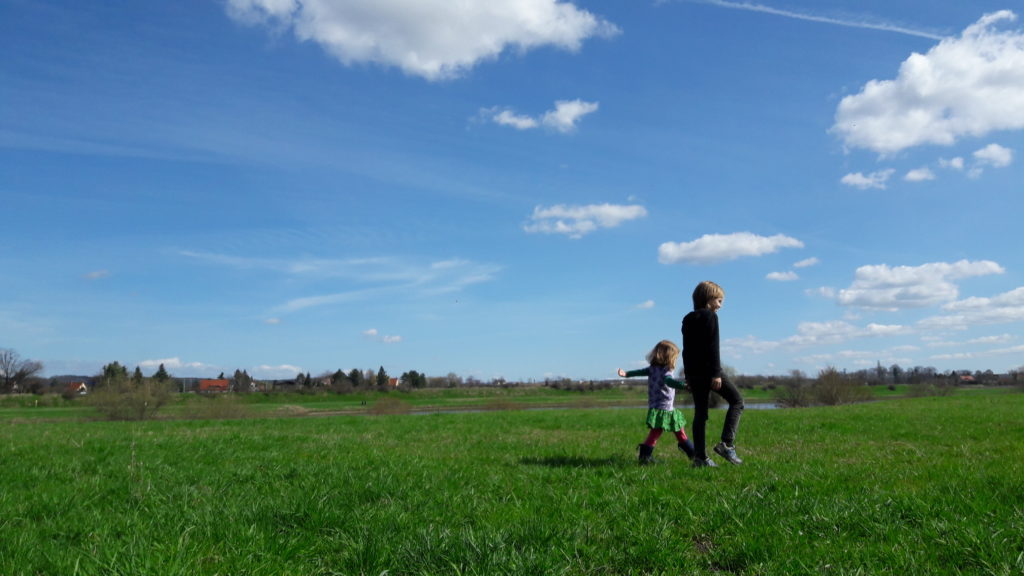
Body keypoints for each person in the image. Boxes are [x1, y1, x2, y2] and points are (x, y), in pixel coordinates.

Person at [682, 280, 744, 467]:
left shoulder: (687, 319)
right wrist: (716, 374)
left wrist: (688, 377)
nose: (720, 305)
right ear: (708, 299)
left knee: (700, 414)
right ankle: (727, 444)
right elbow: (712, 347)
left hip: (694, 374)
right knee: (737, 401)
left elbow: (687, 351)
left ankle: (700, 458)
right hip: (709, 371)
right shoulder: (710, 317)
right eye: (719, 300)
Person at [617, 340, 695, 465]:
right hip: (664, 409)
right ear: (669, 357)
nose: (675, 360)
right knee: (659, 432)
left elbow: (639, 372)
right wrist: (684, 386)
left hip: (660, 407)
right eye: (675, 357)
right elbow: (670, 382)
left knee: (676, 431)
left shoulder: (652, 369)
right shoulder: (666, 371)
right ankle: (645, 457)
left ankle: (693, 454)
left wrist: (626, 374)